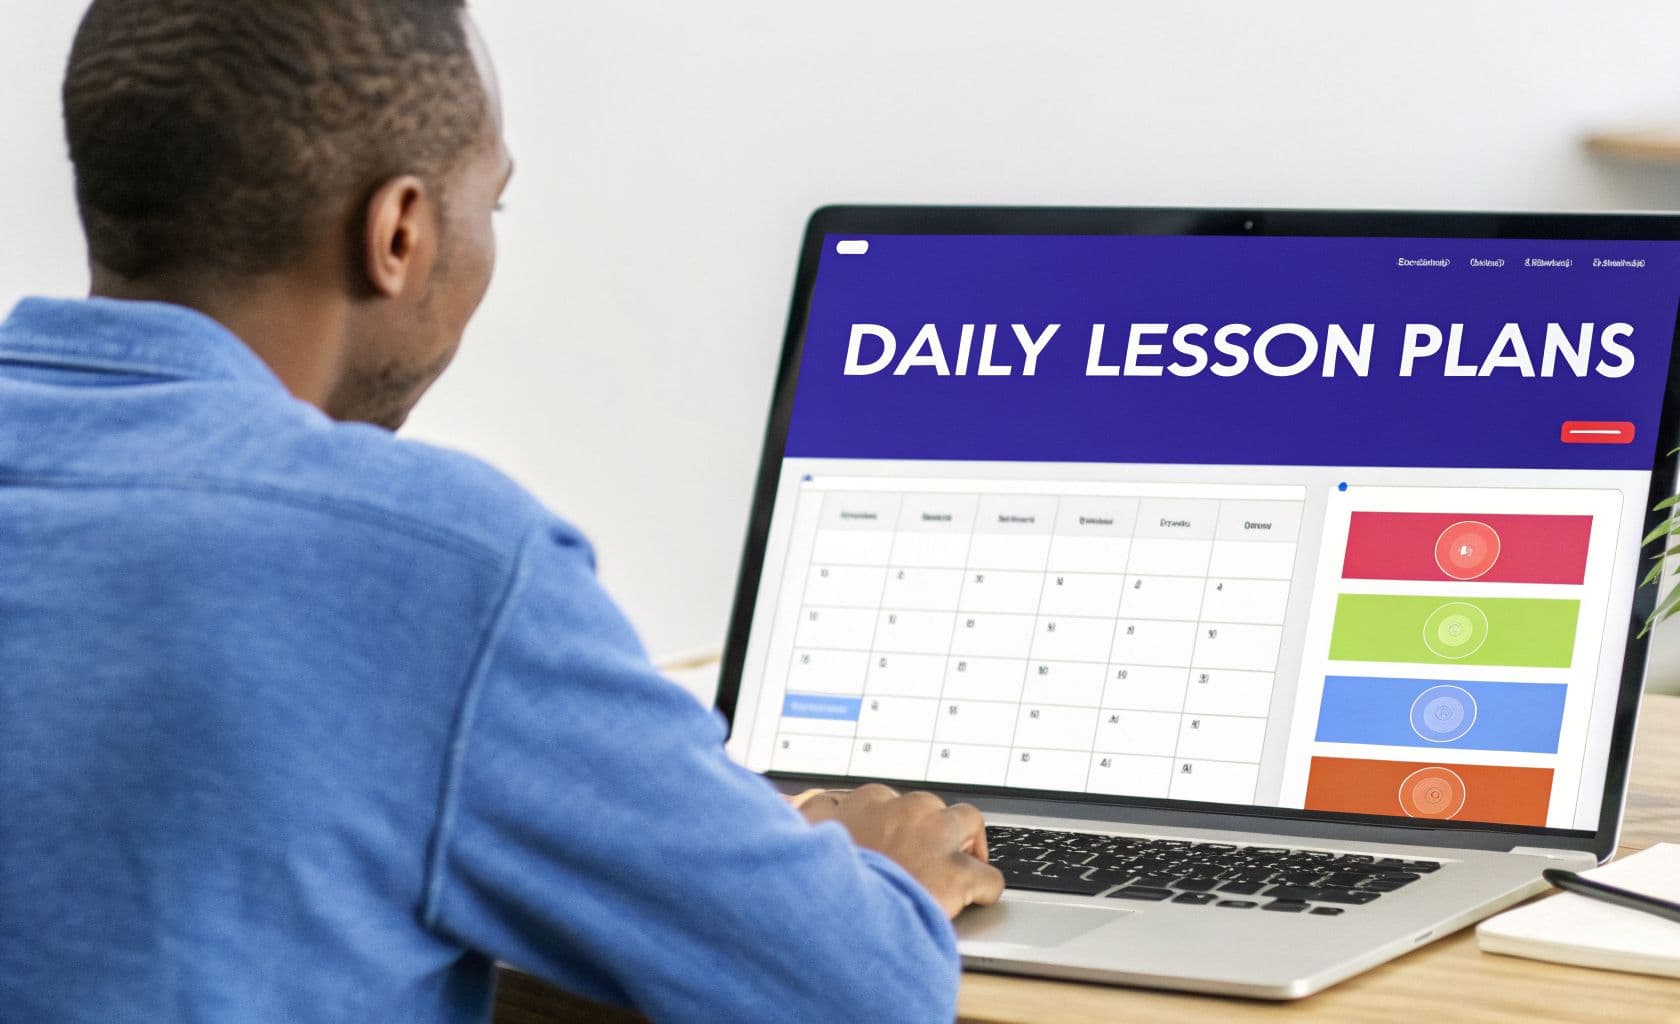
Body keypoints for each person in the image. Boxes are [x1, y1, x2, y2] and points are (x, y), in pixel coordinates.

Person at [0, 2, 1003, 1021]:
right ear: (398, 232)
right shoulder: (430, 565)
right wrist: (874, 869)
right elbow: (853, 990)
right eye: (494, 203)